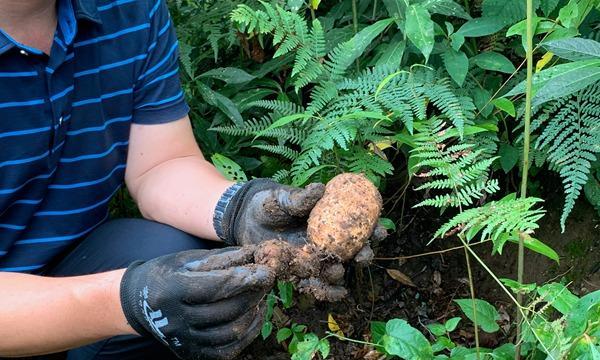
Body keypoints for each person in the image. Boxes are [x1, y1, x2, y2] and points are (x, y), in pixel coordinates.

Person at [0, 0, 382, 359]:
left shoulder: (129, 9)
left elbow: (160, 164)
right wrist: (127, 300)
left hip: (66, 271)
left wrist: (240, 211)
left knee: (171, 258)